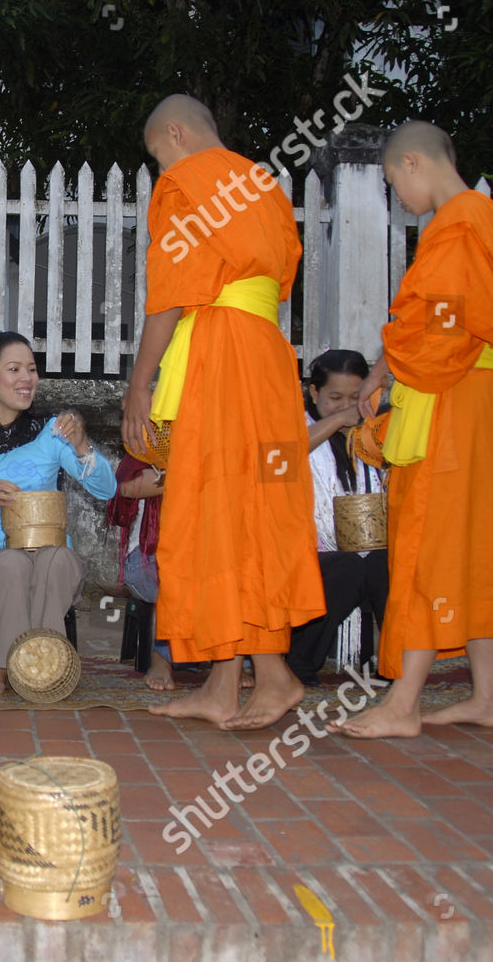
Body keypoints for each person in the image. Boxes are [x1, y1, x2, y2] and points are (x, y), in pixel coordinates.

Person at [332, 121, 493, 739]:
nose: (397, 197)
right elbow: (425, 322)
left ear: (411, 163)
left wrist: (392, 381)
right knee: (470, 547)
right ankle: (488, 694)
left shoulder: (460, 220)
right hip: (474, 394)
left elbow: (440, 331)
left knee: (432, 542)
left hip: (456, 396)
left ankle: (402, 705)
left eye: (391, 183)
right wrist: (385, 372)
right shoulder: (472, 219)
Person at [120, 94, 325, 730]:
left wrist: (139, 383)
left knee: (224, 511)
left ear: (175, 135)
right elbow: (280, 279)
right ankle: (223, 683)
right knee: (245, 508)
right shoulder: (263, 184)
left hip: (221, 356)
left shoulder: (187, 182)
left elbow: (171, 297)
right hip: (265, 354)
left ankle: (273, 675)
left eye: (158, 157)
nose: (161, 172)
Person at [0, 331, 115, 696]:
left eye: (31, 370)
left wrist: (81, 446)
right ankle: (3, 667)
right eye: (14, 369)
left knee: (57, 559)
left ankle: (46, 664)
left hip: (49, 550)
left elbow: (106, 490)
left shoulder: (51, 431)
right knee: (12, 565)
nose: (26, 379)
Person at [288, 350, 390, 685]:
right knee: (346, 568)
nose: (346, 405)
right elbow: (280, 459)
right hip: (303, 552)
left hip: (365, 546)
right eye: (334, 397)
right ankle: (298, 664)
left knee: (383, 561)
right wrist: (336, 420)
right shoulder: (294, 423)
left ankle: (395, 663)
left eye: (354, 397)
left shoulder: (374, 429)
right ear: (314, 393)